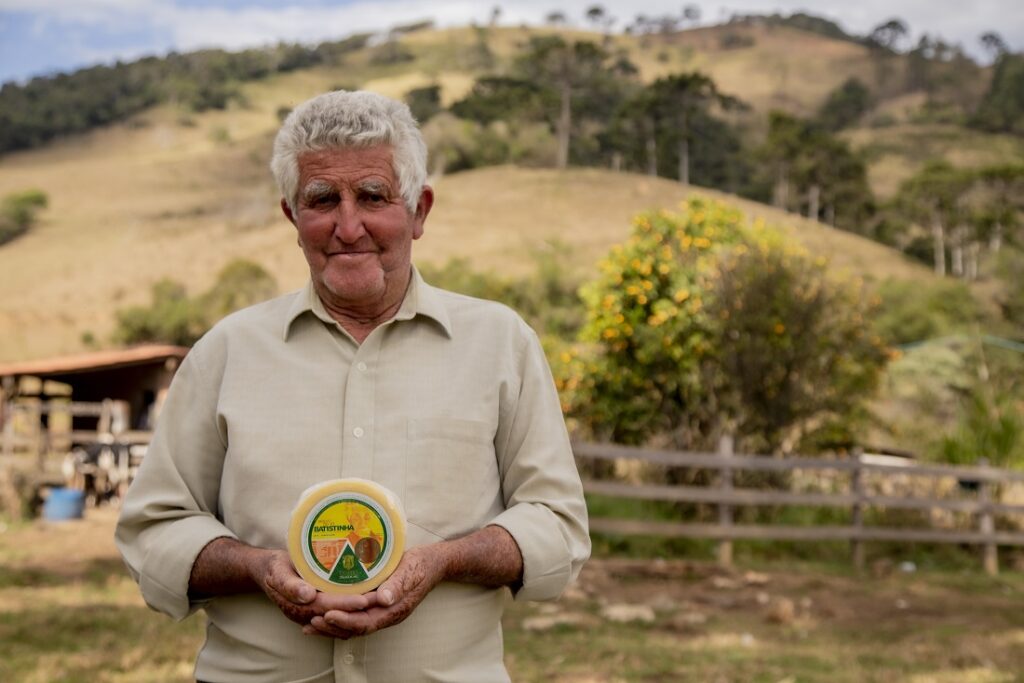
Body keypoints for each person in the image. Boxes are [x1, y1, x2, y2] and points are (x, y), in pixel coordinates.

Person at [115, 90, 590, 683]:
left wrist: (445, 561)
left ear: (419, 210)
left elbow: (556, 524)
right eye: (321, 199)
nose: (347, 225)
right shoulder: (227, 352)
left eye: (372, 196)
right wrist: (257, 568)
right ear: (292, 216)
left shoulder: (501, 343)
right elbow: (154, 527)